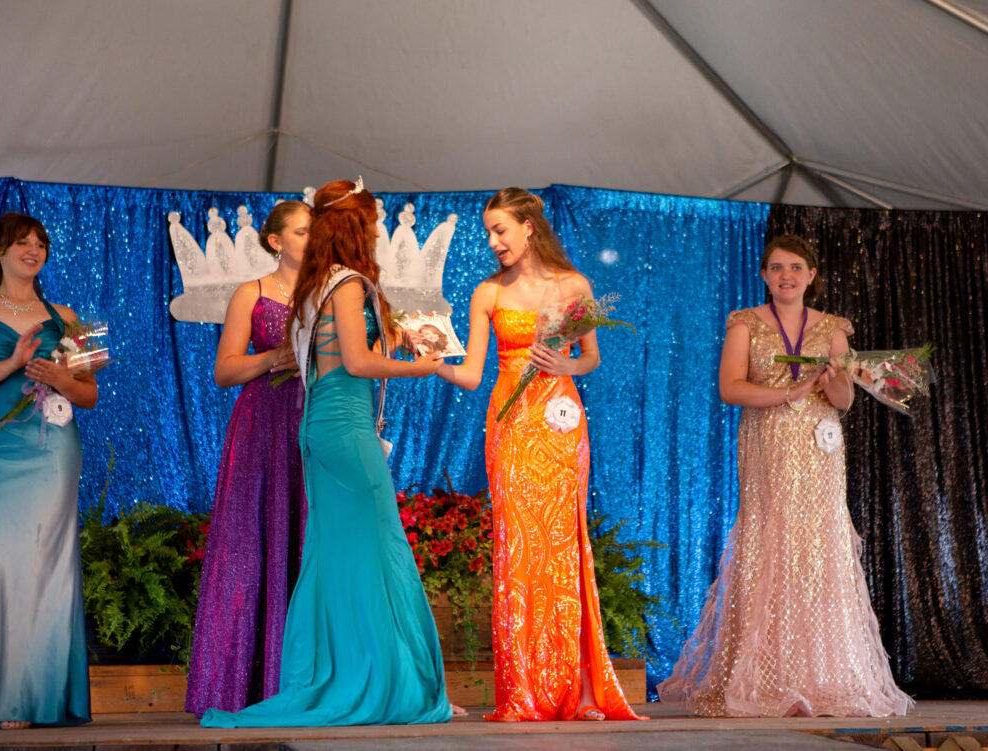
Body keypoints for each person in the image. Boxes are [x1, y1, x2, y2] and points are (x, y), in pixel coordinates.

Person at [200, 178, 452, 727]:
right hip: (343, 425)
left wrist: (398, 337)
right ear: (356, 226)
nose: (378, 231)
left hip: (323, 424)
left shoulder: (320, 282)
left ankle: (346, 676)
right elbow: (356, 363)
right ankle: (377, 681)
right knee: (378, 547)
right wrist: (422, 368)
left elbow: (338, 352)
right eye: (373, 222)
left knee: (336, 554)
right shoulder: (348, 282)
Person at [658, 234, 913, 717]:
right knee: (768, 543)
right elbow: (730, 388)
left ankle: (823, 677)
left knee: (817, 549)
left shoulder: (833, 327)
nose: (786, 276)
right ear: (764, 275)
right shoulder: (745, 323)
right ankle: (768, 677)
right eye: (776, 268)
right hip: (768, 443)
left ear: (811, 276)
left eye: (796, 267)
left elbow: (844, 401)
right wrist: (789, 393)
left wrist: (835, 378)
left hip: (819, 449)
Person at [435, 188, 641, 722]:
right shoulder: (487, 293)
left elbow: (591, 357)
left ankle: (579, 691)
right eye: (488, 232)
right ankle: (524, 691)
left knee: (563, 547)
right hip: (510, 427)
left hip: (560, 427)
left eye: (500, 229)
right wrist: (431, 360)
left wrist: (565, 365)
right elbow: (472, 374)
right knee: (518, 550)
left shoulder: (574, 285)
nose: (493, 241)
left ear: (528, 227)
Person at [0, 212, 98, 727]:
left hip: (51, 451)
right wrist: (12, 362)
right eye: (22, 242)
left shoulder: (67, 317)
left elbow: (90, 394)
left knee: (42, 563)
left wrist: (61, 378)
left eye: (40, 243)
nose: (33, 250)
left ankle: (24, 697)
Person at [185, 201, 311, 716]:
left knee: (307, 540)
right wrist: (274, 357)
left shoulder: (331, 294)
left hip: (314, 424)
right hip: (262, 428)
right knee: (253, 542)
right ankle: (242, 685)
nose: (312, 238)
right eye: (302, 231)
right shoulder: (252, 292)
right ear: (276, 241)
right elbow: (224, 371)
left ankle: (306, 679)